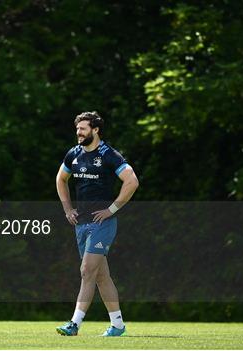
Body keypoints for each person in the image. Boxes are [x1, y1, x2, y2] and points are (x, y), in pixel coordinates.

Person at [55, 111, 139, 337]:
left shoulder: (109, 155)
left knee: (86, 270)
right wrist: (67, 209)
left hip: (103, 223)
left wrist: (111, 209)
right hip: (81, 224)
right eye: (77, 129)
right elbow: (60, 179)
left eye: (82, 129)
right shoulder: (74, 154)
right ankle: (118, 325)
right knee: (101, 276)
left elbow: (131, 181)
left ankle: (74, 324)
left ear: (95, 130)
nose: (78, 133)